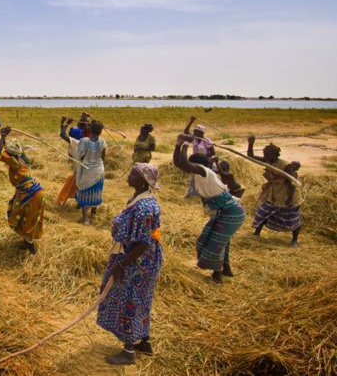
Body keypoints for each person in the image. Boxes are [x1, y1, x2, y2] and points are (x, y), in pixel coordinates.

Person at [97, 163, 163, 365]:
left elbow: (143, 243)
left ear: (143, 181)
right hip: (133, 258)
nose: (129, 176)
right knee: (141, 300)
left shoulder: (144, 208)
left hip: (138, 263)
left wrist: (121, 265)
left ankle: (128, 351)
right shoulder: (138, 199)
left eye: (133, 174)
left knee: (130, 302)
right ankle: (144, 342)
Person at [174, 133, 246, 283]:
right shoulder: (202, 175)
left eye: (190, 165)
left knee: (214, 243)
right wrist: (178, 144)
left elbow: (183, 162)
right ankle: (226, 269)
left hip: (230, 212)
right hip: (227, 212)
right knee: (221, 241)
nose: (187, 168)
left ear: (196, 165)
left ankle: (217, 276)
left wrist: (186, 143)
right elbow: (179, 163)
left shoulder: (204, 172)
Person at [247, 137, 303, 247]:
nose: (264, 156)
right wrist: (251, 144)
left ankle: (294, 240)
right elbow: (251, 156)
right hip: (273, 192)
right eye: (264, 154)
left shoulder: (285, 165)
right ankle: (257, 233)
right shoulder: (267, 161)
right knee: (263, 212)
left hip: (287, 193)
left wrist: (290, 198)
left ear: (275, 155)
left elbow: (292, 182)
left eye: (267, 155)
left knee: (290, 217)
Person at [0, 127, 45, 254]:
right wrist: (4, 137)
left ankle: (31, 248)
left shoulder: (14, 163)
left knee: (26, 219)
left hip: (30, 194)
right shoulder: (21, 158)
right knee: (25, 217)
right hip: (33, 192)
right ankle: (26, 242)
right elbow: (5, 150)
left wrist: (3, 135)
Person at [74, 120, 107, 224]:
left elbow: (80, 156)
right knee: (96, 191)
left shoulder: (84, 141)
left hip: (87, 171)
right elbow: (103, 158)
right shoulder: (102, 142)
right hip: (98, 171)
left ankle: (85, 219)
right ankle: (94, 213)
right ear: (100, 131)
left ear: (90, 129)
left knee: (85, 193)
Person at [57, 116, 86, 205]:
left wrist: (66, 124)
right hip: (83, 170)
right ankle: (79, 204)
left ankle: (77, 203)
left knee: (72, 186)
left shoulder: (75, 143)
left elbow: (62, 134)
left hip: (80, 171)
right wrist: (62, 123)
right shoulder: (83, 142)